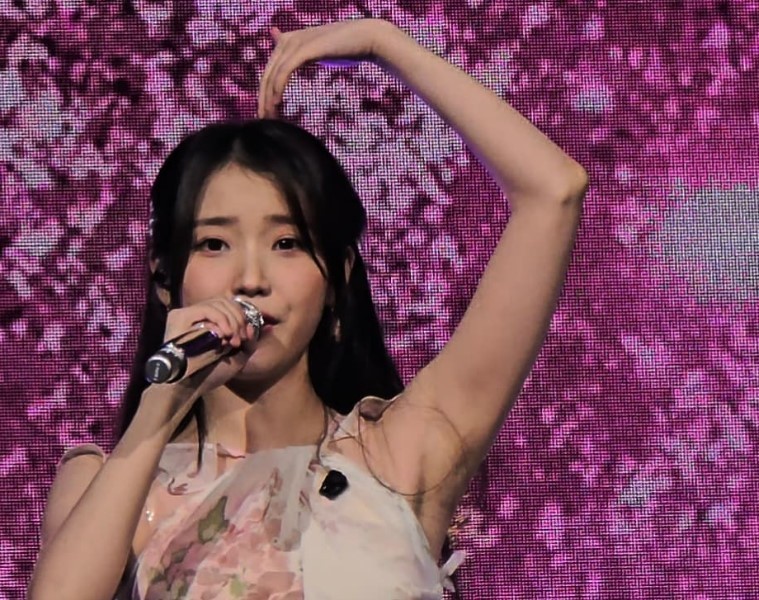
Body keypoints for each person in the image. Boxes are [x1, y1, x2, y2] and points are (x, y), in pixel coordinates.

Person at [29, 18, 588, 600]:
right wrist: (161, 407)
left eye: (286, 243)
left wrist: (383, 43)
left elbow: (554, 192)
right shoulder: (112, 485)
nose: (250, 279)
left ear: (337, 279)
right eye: (214, 244)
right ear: (167, 281)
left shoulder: (398, 456)